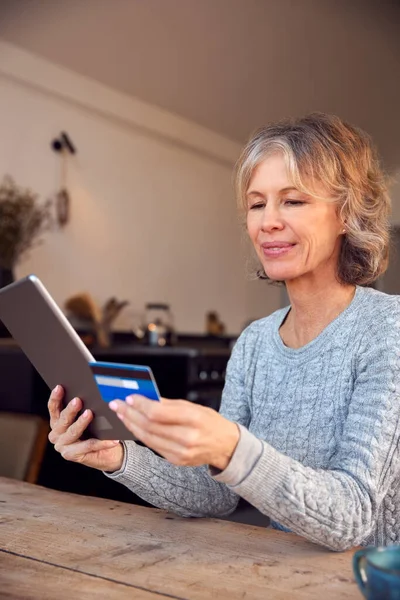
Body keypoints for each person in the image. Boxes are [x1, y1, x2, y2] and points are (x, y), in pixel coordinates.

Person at [48, 113, 400, 552]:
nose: (267, 222)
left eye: (293, 201)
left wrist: (232, 446)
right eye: (257, 204)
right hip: (279, 576)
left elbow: (351, 516)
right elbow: (216, 494)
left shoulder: (387, 330)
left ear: (346, 214)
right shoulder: (254, 343)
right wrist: (119, 458)